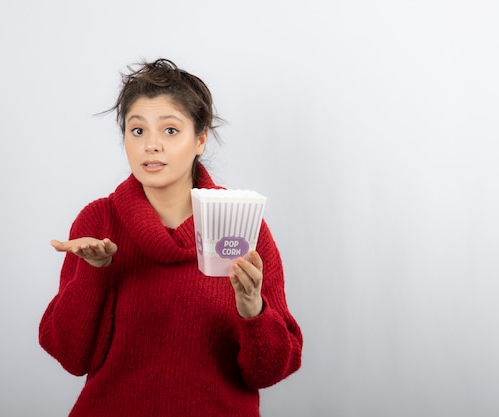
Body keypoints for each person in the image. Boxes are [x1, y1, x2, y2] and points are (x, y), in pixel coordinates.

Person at [38, 58, 303, 417]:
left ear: (200, 139)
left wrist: (253, 310)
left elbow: (270, 370)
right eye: (137, 131)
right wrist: (93, 273)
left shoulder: (241, 223)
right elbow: (71, 356)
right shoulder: (98, 221)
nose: (151, 145)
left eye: (170, 130)